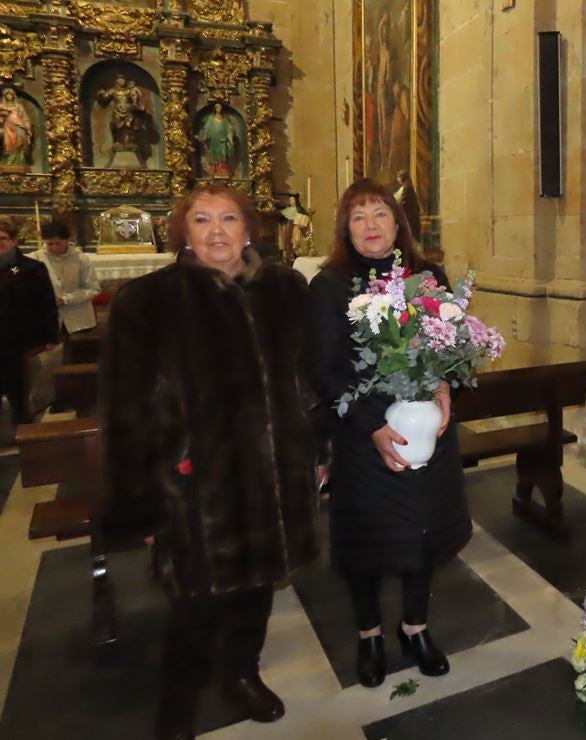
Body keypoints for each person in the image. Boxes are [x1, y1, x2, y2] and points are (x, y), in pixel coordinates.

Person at [100, 187, 327, 740]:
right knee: (193, 614)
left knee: (256, 594)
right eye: (202, 220)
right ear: (185, 231)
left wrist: (317, 451)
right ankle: (176, 712)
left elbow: (306, 382)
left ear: (249, 229)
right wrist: (149, 506)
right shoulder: (148, 302)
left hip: (274, 481)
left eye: (229, 218)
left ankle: (241, 675)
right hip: (197, 491)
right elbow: (128, 415)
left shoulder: (285, 291)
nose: (217, 231)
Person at [308, 179, 471, 688]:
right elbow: (323, 371)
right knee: (366, 543)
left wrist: (446, 385)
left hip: (426, 431)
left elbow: (453, 346)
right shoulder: (330, 286)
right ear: (345, 229)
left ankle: (415, 628)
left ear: (398, 223)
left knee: (421, 536)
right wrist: (373, 427)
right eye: (359, 217)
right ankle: (369, 635)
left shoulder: (427, 276)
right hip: (364, 438)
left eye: (380, 213)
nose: (371, 225)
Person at [0, 216, 58, 425]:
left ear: (14, 241)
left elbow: (47, 303)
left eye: (3, 238)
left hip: (20, 341)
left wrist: (51, 336)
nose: (0, 243)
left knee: (19, 391)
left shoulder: (31, 268)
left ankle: (23, 430)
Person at [30, 221, 101, 334]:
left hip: (78, 316)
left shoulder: (81, 259)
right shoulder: (35, 259)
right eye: (50, 244)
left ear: (67, 240)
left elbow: (92, 288)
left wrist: (66, 299)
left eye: (58, 243)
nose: (53, 247)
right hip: (45, 317)